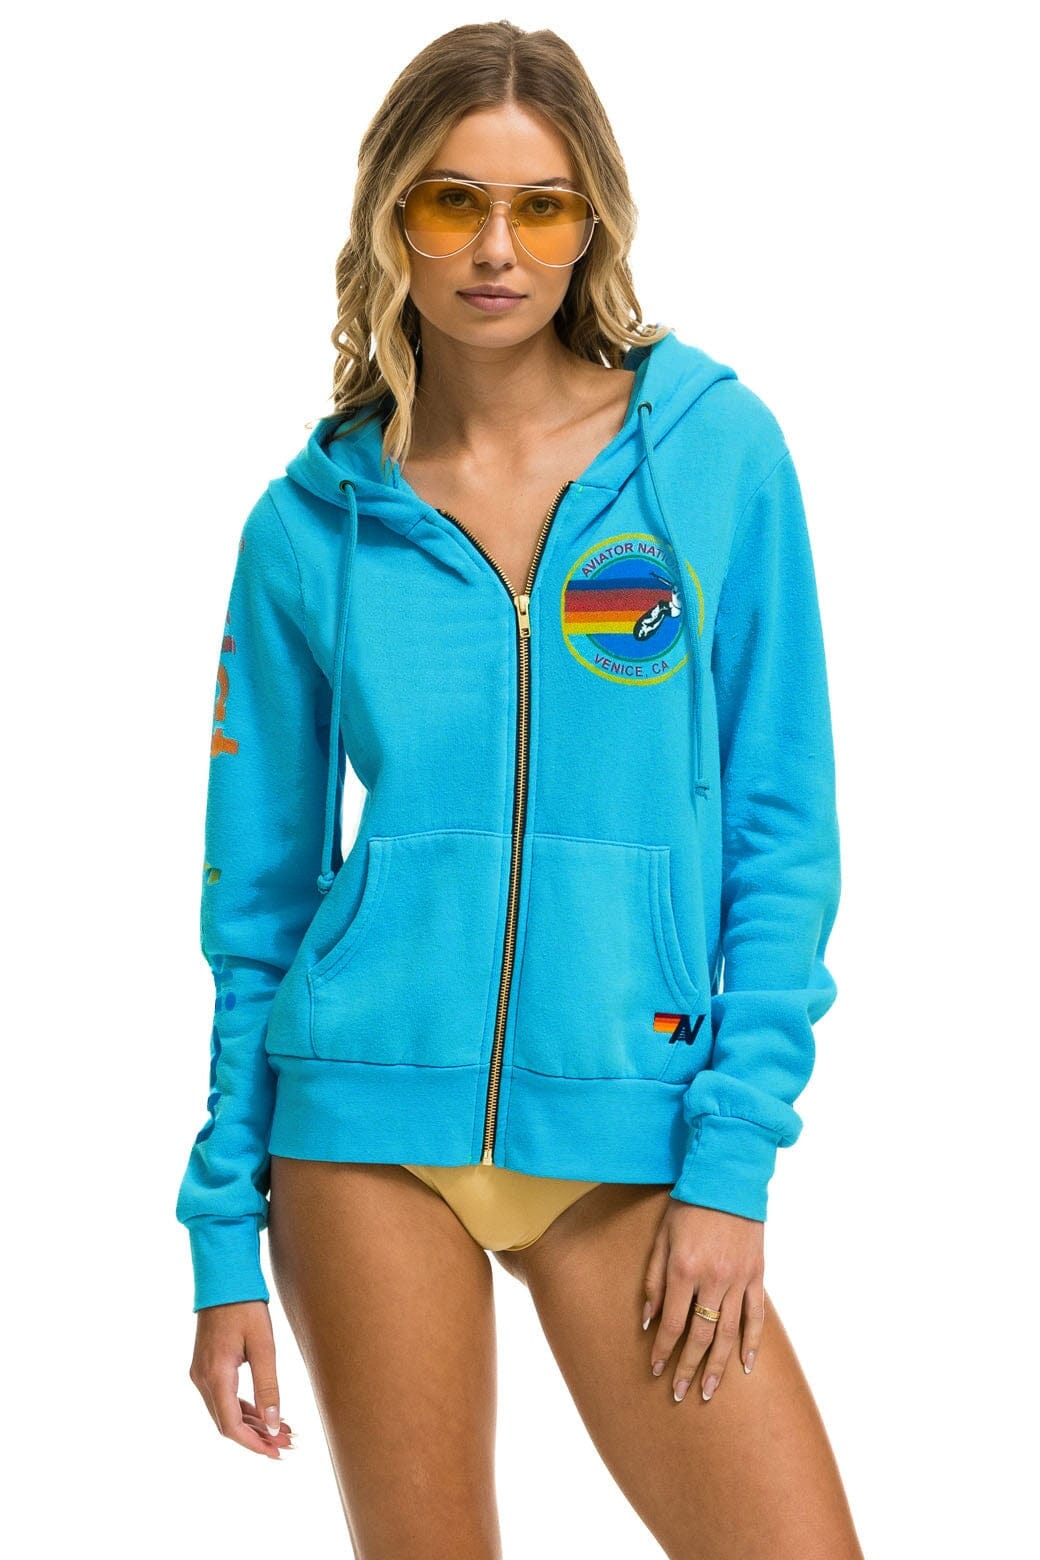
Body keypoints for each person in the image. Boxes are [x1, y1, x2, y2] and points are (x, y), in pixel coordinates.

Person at [176, 19, 865, 1560]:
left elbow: (781, 832)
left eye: (541, 207)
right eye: (454, 202)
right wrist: (224, 1234)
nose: (498, 250)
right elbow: (257, 901)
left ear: (590, 224)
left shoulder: (712, 453)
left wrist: (733, 1164)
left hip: (633, 1127)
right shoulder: (309, 527)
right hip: (361, 1132)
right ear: (391, 218)